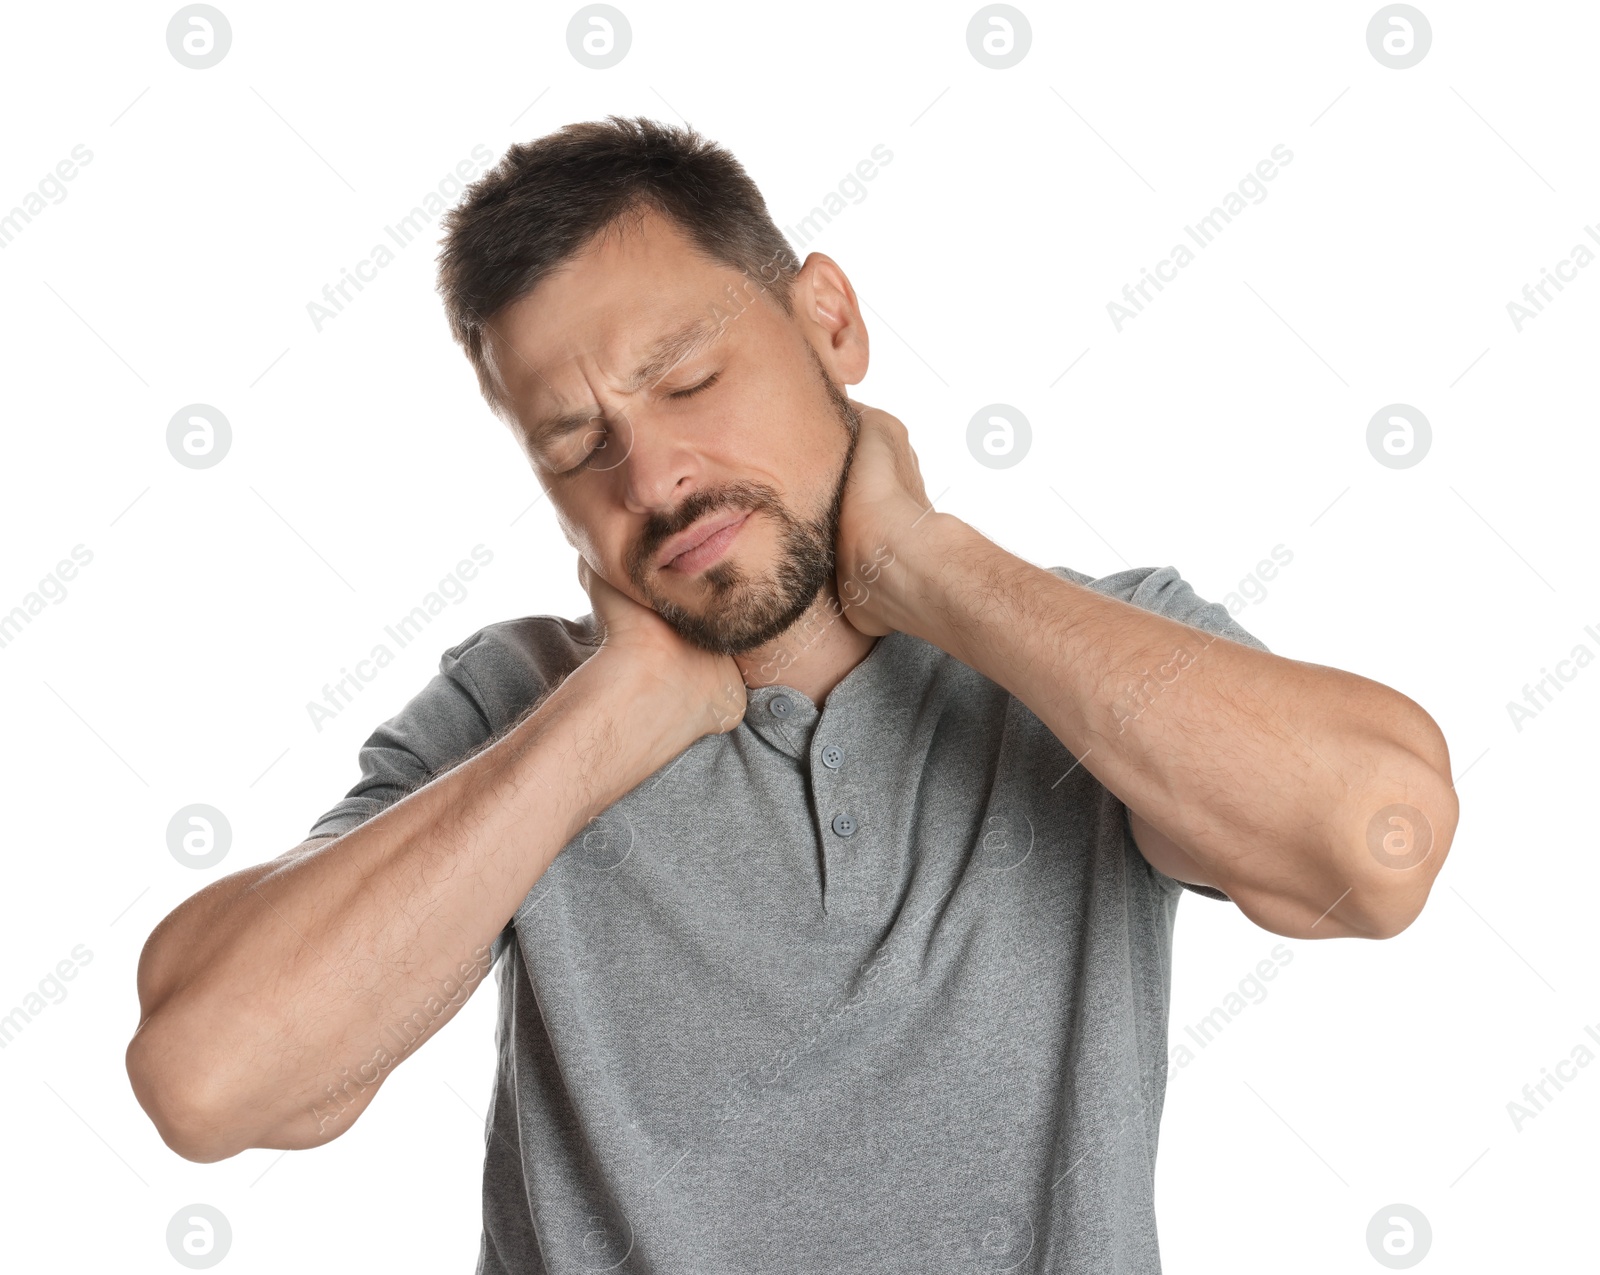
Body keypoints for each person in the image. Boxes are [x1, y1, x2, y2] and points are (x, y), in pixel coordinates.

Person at [127, 116, 1458, 1274]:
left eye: (689, 380)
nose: (652, 481)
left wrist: (925, 565)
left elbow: (1378, 840)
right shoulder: (515, 710)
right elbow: (209, 1079)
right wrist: (610, 719)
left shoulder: (1094, 657)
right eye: (579, 446)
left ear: (829, 320)